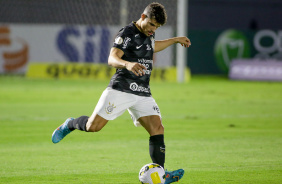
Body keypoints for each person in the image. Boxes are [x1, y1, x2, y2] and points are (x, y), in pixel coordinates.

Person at [52, 2, 191, 183]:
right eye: (151, 25)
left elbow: (151, 46)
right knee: (93, 127)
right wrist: (127, 64)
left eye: (156, 27)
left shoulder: (149, 34)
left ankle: (161, 175)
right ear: (143, 17)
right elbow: (112, 58)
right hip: (121, 88)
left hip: (142, 92)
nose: (153, 29)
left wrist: (174, 40)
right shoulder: (126, 33)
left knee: (157, 128)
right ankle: (69, 124)